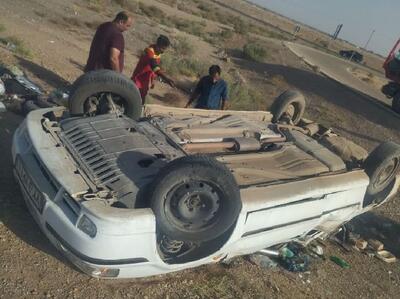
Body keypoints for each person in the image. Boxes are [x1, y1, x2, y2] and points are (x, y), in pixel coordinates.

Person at [131, 35, 175, 103]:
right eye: (162, 48)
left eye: (165, 49)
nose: (163, 51)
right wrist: (166, 79)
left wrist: (152, 80)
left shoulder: (158, 53)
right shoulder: (149, 51)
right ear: (158, 45)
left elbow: (152, 69)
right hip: (138, 79)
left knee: (141, 101)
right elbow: (154, 66)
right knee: (133, 99)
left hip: (145, 81)